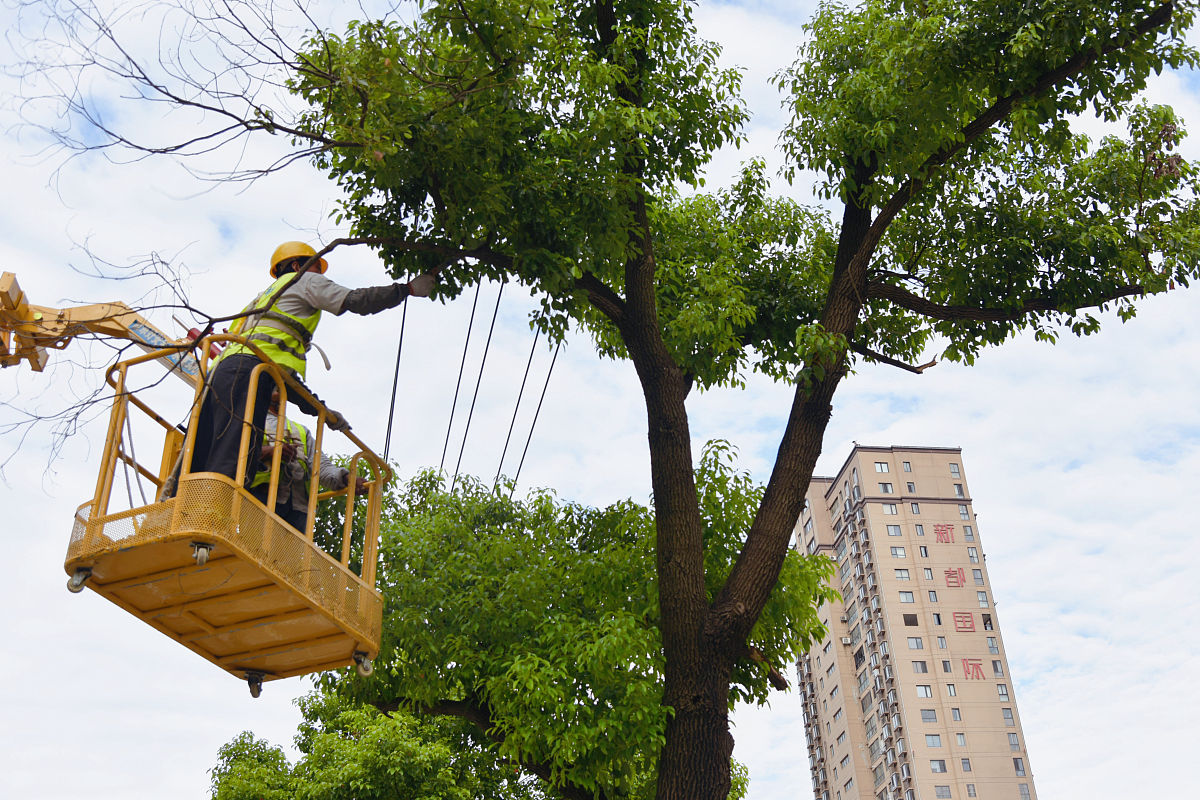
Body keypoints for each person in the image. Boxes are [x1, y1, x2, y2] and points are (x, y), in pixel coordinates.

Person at [188, 241, 435, 483]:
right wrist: (407, 289)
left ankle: (183, 501)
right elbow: (358, 300)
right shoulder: (303, 280)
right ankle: (213, 506)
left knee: (202, 452)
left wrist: (321, 410)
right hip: (248, 374)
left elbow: (286, 378)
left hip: (220, 375)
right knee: (235, 456)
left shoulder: (262, 299)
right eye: (317, 267)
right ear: (297, 266)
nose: (320, 275)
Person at [249, 390, 367, 534]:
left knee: (290, 550)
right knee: (253, 545)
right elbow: (234, 452)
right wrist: (270, 451)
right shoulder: (249, 419)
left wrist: (347, 478)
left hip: (298, 510)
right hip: (260, 498)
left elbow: (321, 466)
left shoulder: (300, 430)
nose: (277, 387)